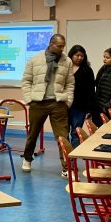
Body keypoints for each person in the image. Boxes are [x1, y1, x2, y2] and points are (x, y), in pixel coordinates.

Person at [20, 34, 74, 177]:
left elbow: (70, 83)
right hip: (38, 102)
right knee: (33, 134)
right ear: (51, 45)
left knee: (63, 137)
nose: (62, 49)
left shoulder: (67, 61)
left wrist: (67, 100)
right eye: (60, 46)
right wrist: (29, 99)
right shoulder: (35, 59)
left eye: (63, 46)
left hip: (58, 103)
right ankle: (27, 159)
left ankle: (67, 168)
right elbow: (26, 81)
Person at [67, 45, 96, 148]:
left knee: (76, 131)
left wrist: (89, 109)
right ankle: (65, 154)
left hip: (80, 106)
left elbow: (91, 90)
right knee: (64, 131)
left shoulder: (87, 70)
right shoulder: (65, 68)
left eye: (82, 56)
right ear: (71, 55)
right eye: (77, 55)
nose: (79, 58)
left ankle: (74, 154)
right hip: (65, 105)